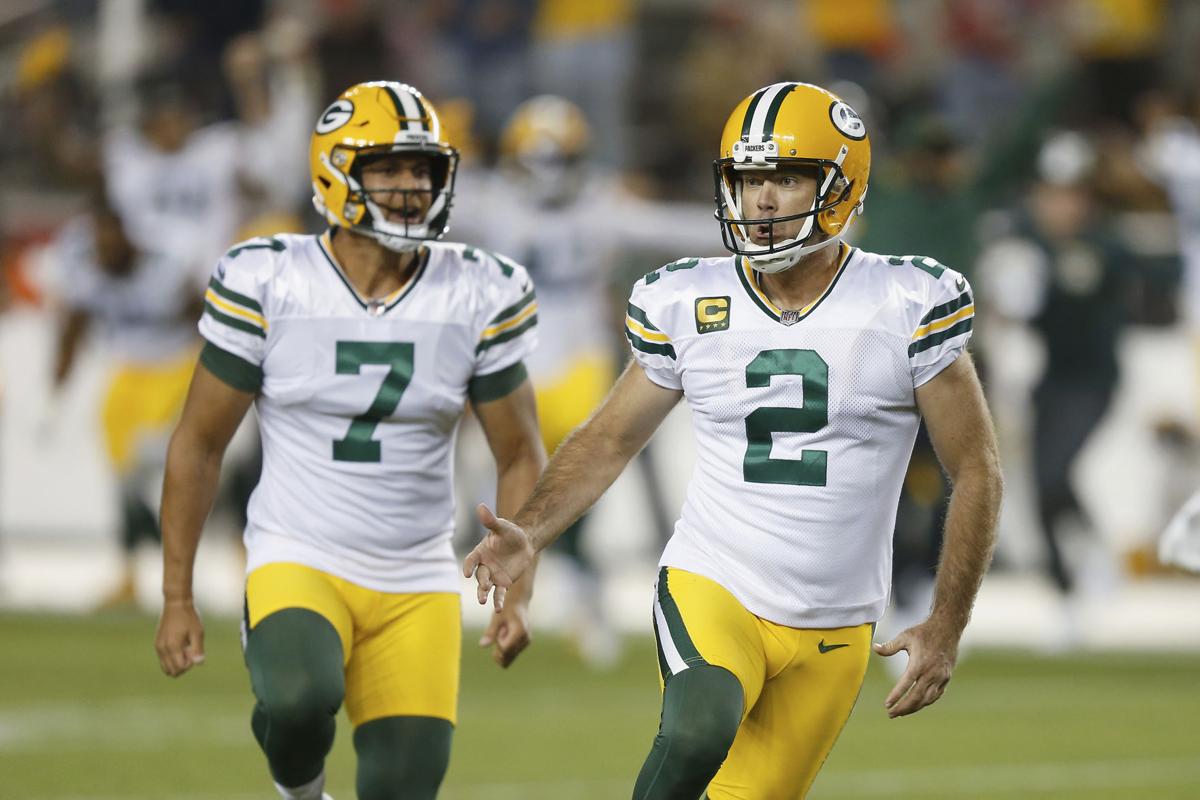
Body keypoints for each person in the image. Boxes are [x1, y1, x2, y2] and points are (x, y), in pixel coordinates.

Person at [464, 81, 1003, 798]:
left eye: (786, 177)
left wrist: (945, 622)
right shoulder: (687, 298)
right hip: (714, 582)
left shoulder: (905, 302)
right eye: (749, 181)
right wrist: (532, 530)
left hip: (838, 622)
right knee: (694, 729)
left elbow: (976, 469)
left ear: (842, 187)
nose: (765, 200)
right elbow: (610, 438)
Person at [153, 81, 546, 800]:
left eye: (422, 169)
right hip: (299, 553)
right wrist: (177, 594)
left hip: (417, 572)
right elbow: (199, 444)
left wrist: (517, 591)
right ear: (337, 173)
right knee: (299, 699)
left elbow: (519, 452)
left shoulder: (474, 291)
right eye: (388, 169)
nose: (409, 187)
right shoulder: (272, 280)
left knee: (404, 787)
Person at [48, 190, 202, 608]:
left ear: (127, 237)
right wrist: (56, 388)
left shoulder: (166, 268)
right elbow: (73, 328)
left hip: (175, 368)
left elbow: (205, 319)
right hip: (126, 373)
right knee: (121, 479)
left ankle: (171, 556)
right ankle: (129, 574)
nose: (105, 248)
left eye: (110, 238)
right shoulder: (88, 271)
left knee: (146, 465)